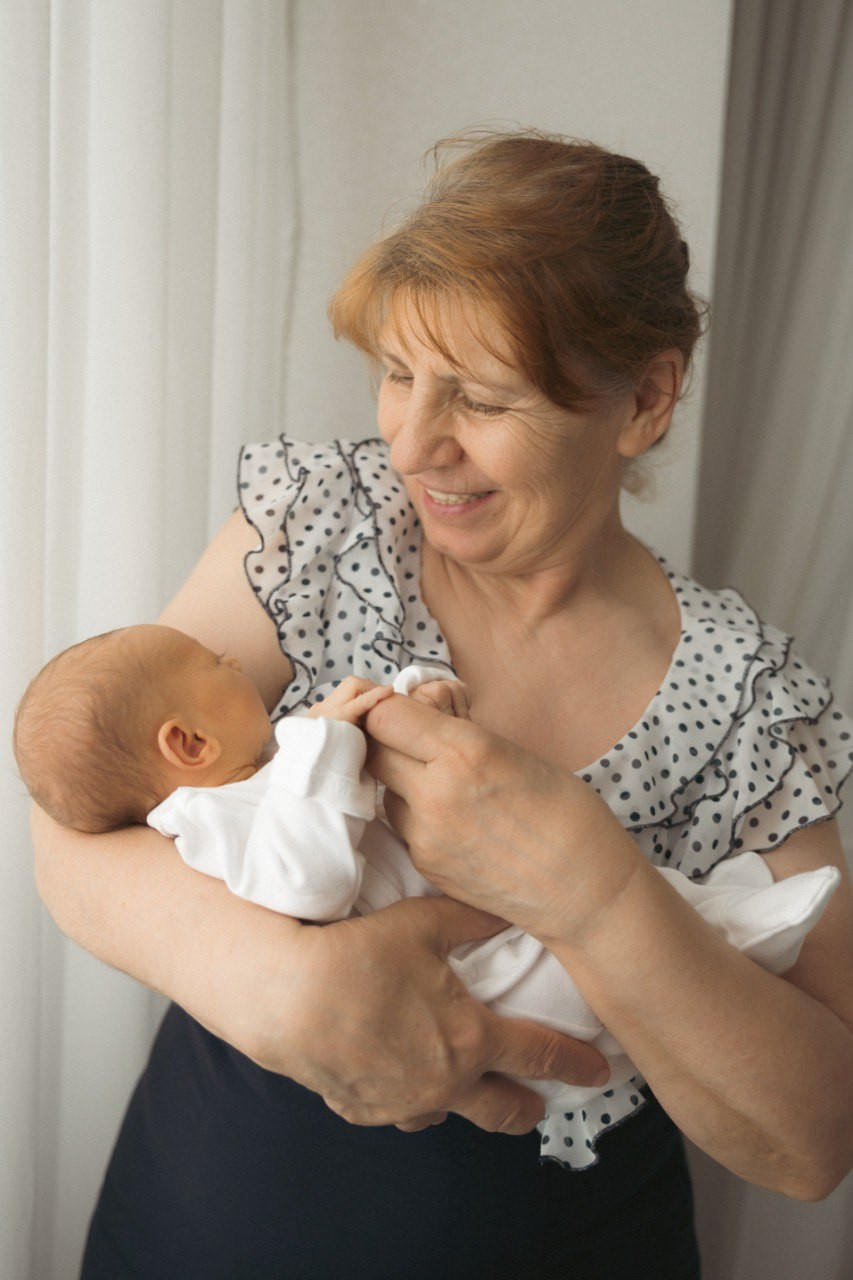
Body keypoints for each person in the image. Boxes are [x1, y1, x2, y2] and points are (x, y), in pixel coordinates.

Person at [30, 129, 853, 1279]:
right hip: (194, 1221)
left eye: (478, 395)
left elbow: (813, 1138)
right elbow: (72, 820)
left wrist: (595, 886)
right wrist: (287, 988)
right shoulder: (324, 528)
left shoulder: (750, 702)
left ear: (644, 398)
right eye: (399, 373)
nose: (414, 442)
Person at [17, 623, 840, 1139]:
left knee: (642, 917)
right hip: (467, 981)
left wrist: (409, 703)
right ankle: (735, 934)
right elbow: (307, 885)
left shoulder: (274, 764)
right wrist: (323, 744)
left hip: (485, 930)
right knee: (564, 984)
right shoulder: (208, 819)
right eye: (213, 664)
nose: (233, 659)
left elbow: (361, 769)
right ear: (187, 744)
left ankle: (723, 915)